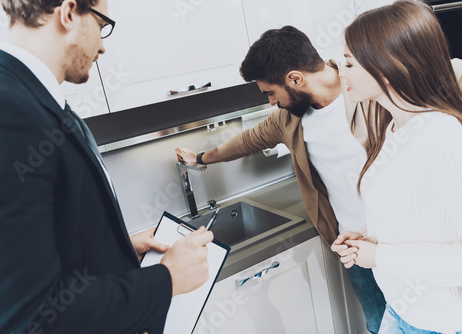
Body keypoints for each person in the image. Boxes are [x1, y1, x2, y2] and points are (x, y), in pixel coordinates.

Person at [175, 25, 462, 333]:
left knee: (430, 320)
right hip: (354, 243)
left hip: (407, 245)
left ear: (295, 79)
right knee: (380, 324)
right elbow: (249, 140)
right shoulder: (289, 119)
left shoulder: (370, 90)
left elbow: (447, 72)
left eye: (271, 92)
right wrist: (202, 158)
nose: (270, 102)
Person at [0, 0, 213, 333]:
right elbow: (23, 316)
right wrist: (165, 280)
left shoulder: (37, 101)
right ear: (68, 13)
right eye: (101, 24)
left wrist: (118, 250)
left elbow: (38, 251)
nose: (104, 46)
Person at [335, 1, 462, 333]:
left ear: (388, 64)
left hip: (438, 324)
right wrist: (369, 241)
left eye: (348, 62)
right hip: (402, 313)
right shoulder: (393, 128)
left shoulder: (440, 137)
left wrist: (377, 257)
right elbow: (423, 220)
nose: (341, 72)